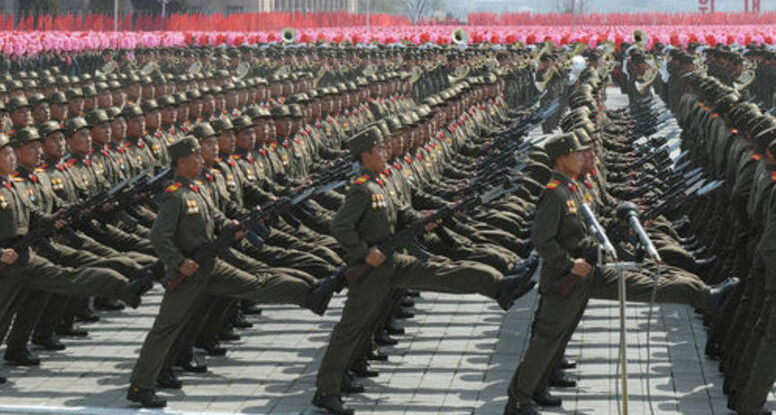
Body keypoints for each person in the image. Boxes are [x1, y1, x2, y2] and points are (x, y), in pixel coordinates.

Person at [503, 132, 741, 415]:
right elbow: (542, 240)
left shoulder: (573, 188)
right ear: (562, 158)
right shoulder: (554, 193)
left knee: (640, 281)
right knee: (548, 338)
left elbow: (585, 227)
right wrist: (567, 264)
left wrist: (617, 226)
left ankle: (705, 295)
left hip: (589, 272)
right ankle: (518, 401)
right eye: (577, 153)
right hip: (565, 280)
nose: (583, 157)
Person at [312, 125, 537, 415]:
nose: (384, 152)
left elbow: (401, 210)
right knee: (351, 328)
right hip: (371, 271)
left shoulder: (380, 183)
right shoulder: (362, 189)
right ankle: (326, 390)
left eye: (383, 148)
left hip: (396, 261)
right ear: (364, 156)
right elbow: (339, 226)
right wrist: (364, 253)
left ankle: (500, 285)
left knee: (444, 270)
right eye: (378, 149)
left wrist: (422, 219)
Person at [126, 135, 327, 409]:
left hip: (210, 263)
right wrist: (177, 263)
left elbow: (213, 218)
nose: (201, 159)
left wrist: (232, 225)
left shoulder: (197, 189)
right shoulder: (175, 196)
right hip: (189, 271)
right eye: (195, 156)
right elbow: (159, 237)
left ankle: (309, 293)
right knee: (167, 327)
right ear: (182, 162)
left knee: (255, 284)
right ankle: (141, 385)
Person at [0, 134, 134, 400]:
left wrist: (51, 221)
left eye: (12, 153)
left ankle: (121, 286)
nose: (11, 157)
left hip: (26, 259)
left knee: (67, 279)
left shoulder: (15, 185)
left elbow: (31, 214)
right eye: (5, 154)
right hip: (2, 266)